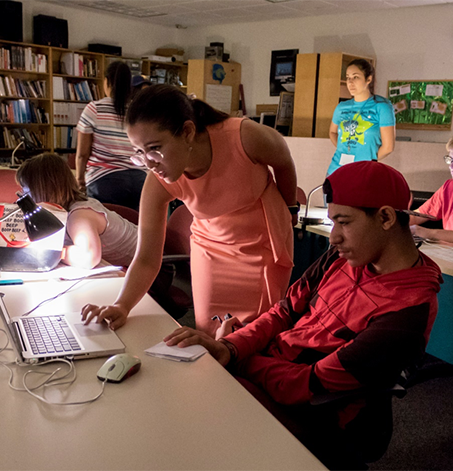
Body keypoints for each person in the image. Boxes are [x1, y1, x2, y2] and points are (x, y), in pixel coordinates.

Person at [163, 161, 442, 467]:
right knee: (189, 392)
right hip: (274, 372)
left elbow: (311, 382)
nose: (333, 237)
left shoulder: (408, 312)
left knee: (202, 415)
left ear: (386, 217)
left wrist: (238, 359)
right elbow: (283, 313)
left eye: (344, 222)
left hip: (319, 412)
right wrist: (231, 346)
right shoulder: (341, 259)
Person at [81, 84, 299, 337]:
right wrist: (122, 305)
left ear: (187, 131)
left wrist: (290, 206)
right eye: (140, 153)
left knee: (255, 333)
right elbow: (147, 258)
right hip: (211, 247)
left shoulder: (243, 136)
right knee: (209, 330)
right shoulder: (159, 181)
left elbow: (283, 162)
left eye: (155, 148)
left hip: (262, 242)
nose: (150, 163)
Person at [16, 152, 138, 269]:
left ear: (42, 190)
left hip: (151, 263)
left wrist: (53, 251)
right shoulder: (64, 210)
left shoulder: (80, 215)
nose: (22, 196)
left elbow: (88, 258)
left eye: (26, 192)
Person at [75, 61, 146, 211]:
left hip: (105, 182)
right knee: (134, 229)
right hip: (141, 181)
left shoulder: (94, 109)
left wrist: (80, 180)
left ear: (106, 81)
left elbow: (83, 154)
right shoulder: (138, 111)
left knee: (106, 230)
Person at [327, 59, 396, 175]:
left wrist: (367, 159)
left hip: (363, 170)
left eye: (355, 77)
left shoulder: (381, 106)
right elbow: (332, 133)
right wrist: (343, 148)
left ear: (368, 79)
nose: (350, 82)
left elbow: (388, 147)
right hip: (336, 169)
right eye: (348, 77)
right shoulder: (341, 107)